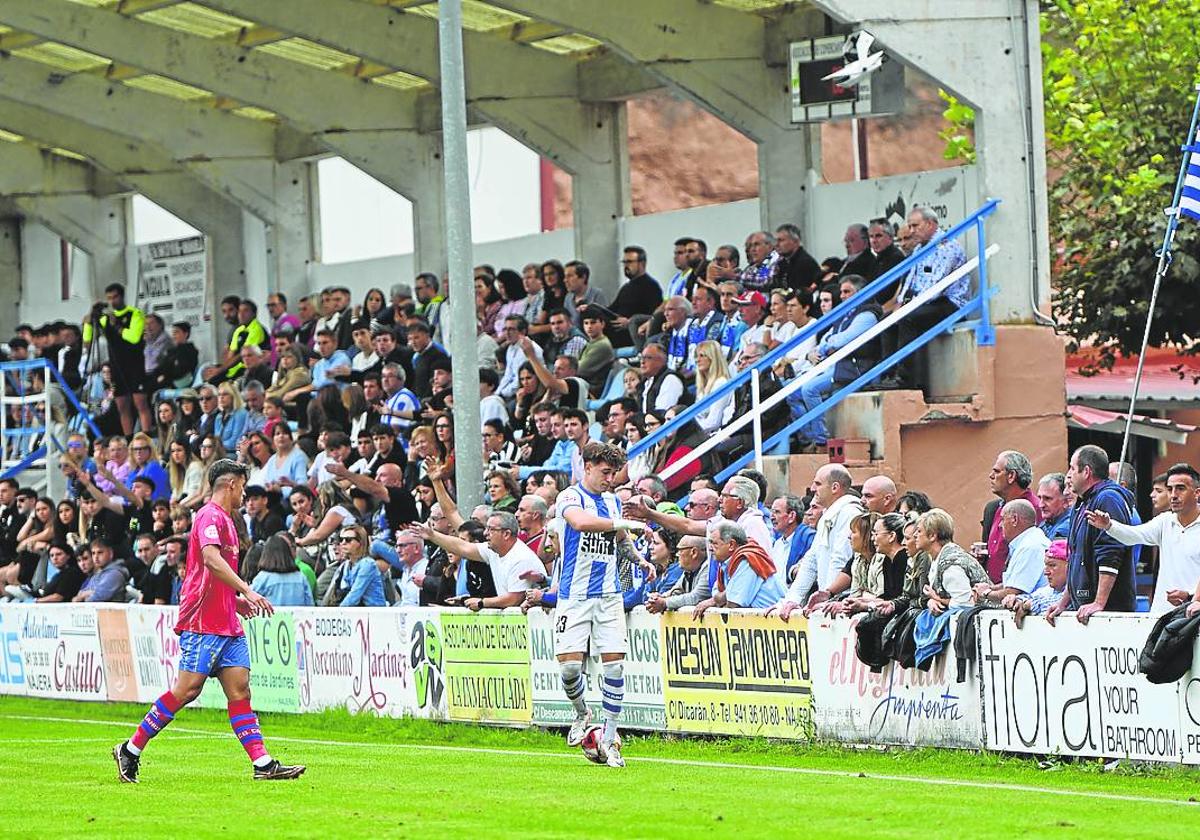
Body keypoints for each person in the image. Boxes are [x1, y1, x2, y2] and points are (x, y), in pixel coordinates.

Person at [114, 458, 303, 783]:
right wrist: (248, 590)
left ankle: (262, 763)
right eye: (242, 486)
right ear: (231, 484)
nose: (244, 493)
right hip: (202, 620)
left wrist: (236, 602)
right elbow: (211, 560)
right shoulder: (209, 516)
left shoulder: (227, 521)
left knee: (240, 690)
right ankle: (130, 750)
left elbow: (213, 574)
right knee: (187, 690)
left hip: (225, 620)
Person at [551, 442, 646, 769]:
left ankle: (610, 738)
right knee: (570, 668)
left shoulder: (611, 502)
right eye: (605, 472)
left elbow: (621, 541)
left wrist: (639, 559)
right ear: (587, 467)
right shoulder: (569, 497)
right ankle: (582, 714)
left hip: (609, 596)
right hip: (574, 597)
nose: (610, 479)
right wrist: (624, 525)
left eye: (614, 473)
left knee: (615, 667)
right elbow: (579, 523)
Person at [1085, 462, 1200, 615]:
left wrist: (1192, 597)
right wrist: (1109, 525)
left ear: (1197, 493)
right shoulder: (1164, 521)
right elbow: (1133, 535)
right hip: (1161, 616)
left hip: (1194, 615)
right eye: (1170, 489)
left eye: (1180, 488)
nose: (1173, 495)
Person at [1046, 445, 1137, 625]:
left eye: (1072, 468)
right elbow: (1074, 559)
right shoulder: (1082, 503)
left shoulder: (1108, 499)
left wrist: (1099, 603)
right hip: (1085, 610)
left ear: (1086, 471)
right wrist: (1063, 602)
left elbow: (1110, 555)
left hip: (1109, 614)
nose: (1068, 475)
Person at [770, 464, 865, 619]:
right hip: (827, 603)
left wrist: (828, 596)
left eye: (818, 483)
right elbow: (811, 561)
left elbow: (841, 560)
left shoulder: (850, 513)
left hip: (840, 605)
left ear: (835, 487)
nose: (813, 488)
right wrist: (791, 600)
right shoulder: (828, 515)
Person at [411, 510, 543, 611]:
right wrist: (433, 535)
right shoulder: (493, 550)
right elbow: (462, 547)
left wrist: (482, 602)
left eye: (491, 529)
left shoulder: (521, 558)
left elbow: (514, 599)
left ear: (506, 534)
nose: (485, 533)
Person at [83, 282, 152, 435]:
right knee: (122, 405)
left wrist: (117, 325)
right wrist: (89, 320)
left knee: (140, 402)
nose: (112, 301)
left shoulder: (135, 313)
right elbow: (88, 341)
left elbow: (134, 338)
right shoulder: (105, 318)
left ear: (121, 297)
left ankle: (147, 435)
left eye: (115, 297)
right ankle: (128, 438)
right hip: (116, 365)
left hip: (135, 364)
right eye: (109, 298)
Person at [694, 522, 784, 616]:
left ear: (732, 545)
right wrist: (722, 596)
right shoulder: (725, 563)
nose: (710, 548)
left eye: (714, 543)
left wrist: (721, 598)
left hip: (779, 624)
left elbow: (733, 605)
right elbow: (716, 595)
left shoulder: (747, 560)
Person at [972, 499, 1049, 605]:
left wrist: (985, 593)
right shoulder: (1028, 541)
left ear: (1014, 519)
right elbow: (1012, 584)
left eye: (1002, 519)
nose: (999, 525)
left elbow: (1012, 592)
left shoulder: (1030, 546)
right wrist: (990, 588)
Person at [1003, 539, 1070, 627]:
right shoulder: (1048, 590)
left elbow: (1058, 603)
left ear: (1070, 566)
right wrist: (1016, 600)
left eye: (1052, 565)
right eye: (1046, 565)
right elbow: (1032, 597)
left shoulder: (1078, 591)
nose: (1046, 572)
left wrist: (1028, 605)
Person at [1037, 472, 1072, 541]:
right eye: (1039, 498)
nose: (1041, 505)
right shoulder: (1047, 522)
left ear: (1065, 501)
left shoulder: (1064, 530)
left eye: (1047, 499)